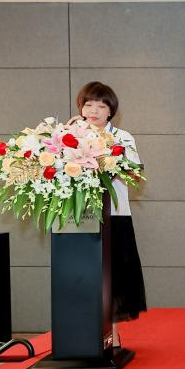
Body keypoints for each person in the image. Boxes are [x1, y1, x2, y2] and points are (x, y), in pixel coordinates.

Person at [74, 81, 147, 323]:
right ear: (81, 107)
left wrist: (113, 162)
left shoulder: (122, 138)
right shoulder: (69, 136)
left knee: (116, 278)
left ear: (110, 111)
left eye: (101, 106)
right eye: (89, 105)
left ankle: (112, 336)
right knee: (83, 275)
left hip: (115, 215)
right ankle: (84, 331)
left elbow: (136, 175)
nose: (93, 111)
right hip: (79, 217)